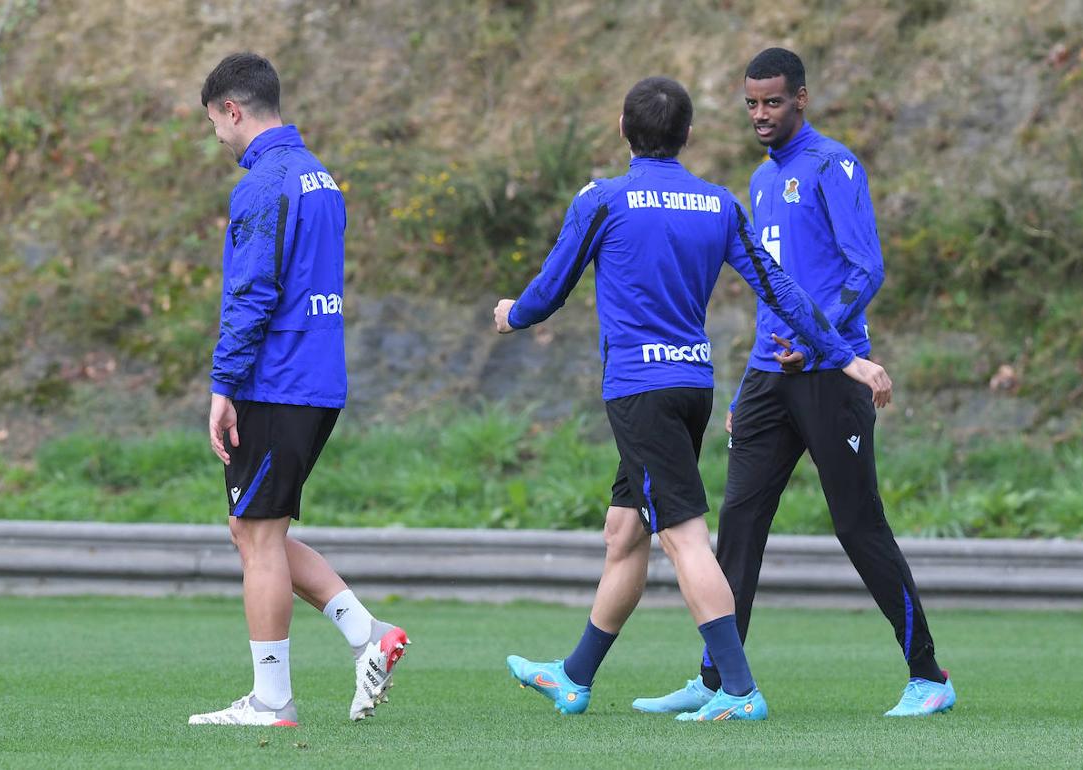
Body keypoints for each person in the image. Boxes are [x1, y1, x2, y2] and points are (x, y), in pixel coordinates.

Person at [492, 76, 893, 722]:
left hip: (639, 392)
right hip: (692, 388)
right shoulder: (718, 204)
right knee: (624, 531)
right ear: (687, 136)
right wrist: (845, 354)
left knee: (683, 540)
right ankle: (574, 675)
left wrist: (511, 314)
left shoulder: (602, 200)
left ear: (624, 128)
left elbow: (550, 290)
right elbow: (782, 291)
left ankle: (737, 690)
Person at [631, 48, 956, 718]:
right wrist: (751, 381)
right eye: (751, 103)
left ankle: (929, 676)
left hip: (830, 377)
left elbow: (866, 270)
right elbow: (770, 289)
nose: (760, 114)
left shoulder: (833, 166)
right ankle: (720, 679)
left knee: (858, 524)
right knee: (738, 523)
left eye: (773, 102)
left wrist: (823, 340)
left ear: (800, 99)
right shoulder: (758, 179)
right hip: (766, 378)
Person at [187, 53, 408, 727]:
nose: (220, 141)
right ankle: (365, 633)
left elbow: (252, 292)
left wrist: (223, 385)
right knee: (253, 530)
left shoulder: (263, 182)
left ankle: (272, 700)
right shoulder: (319, 177)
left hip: (277, 380)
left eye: (216, 125)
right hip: (314, 377)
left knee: (256, 537)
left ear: (232, 109)